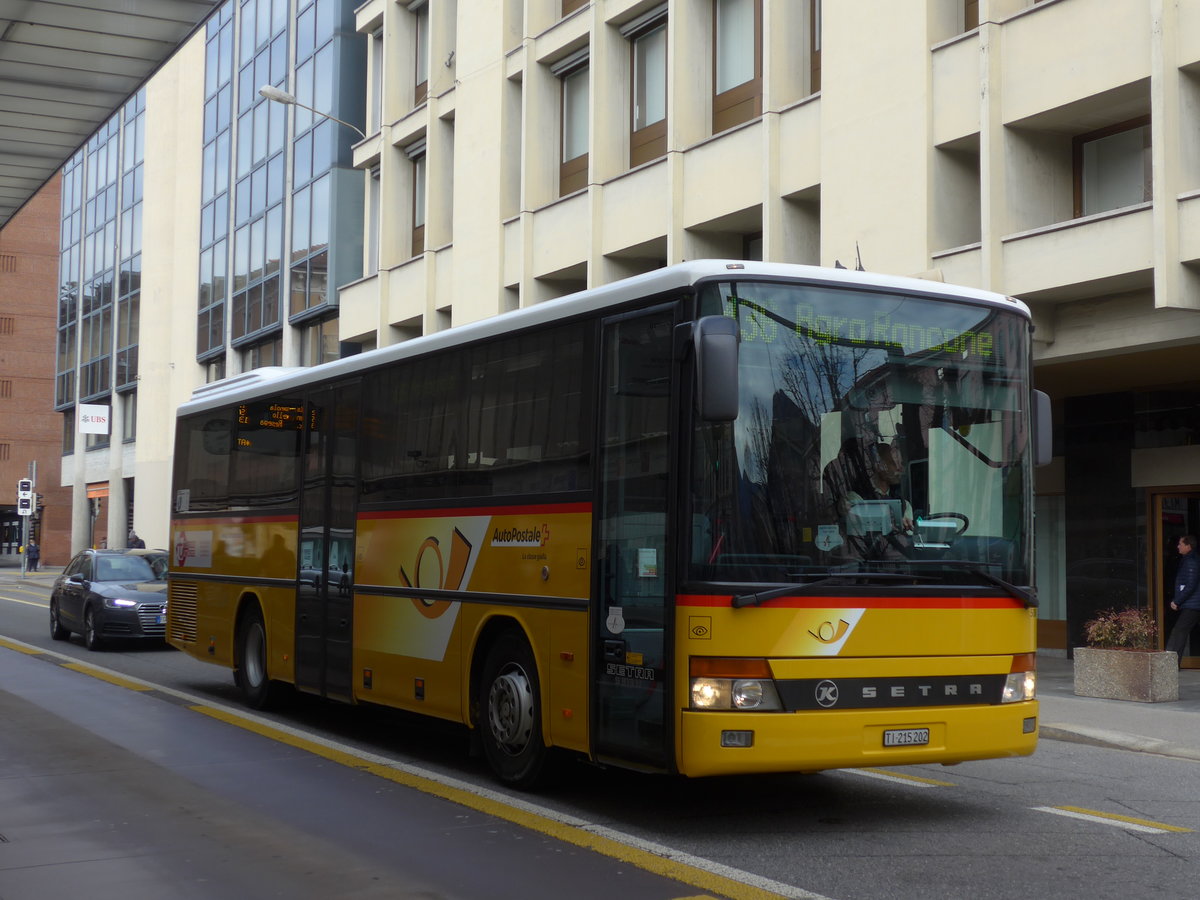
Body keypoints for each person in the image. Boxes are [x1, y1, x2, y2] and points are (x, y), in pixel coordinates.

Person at [1165, 534, 1200, 666]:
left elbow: (1191, 584)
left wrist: (1177, 601)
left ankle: (1170, 664)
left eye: (1180, 544)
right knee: (1180, 630)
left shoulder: (1191, 561)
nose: (1178, 546)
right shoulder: (1188, 559)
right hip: (1192, 604)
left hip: (1193, 605)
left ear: (1188, 546)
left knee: (1179, 630)